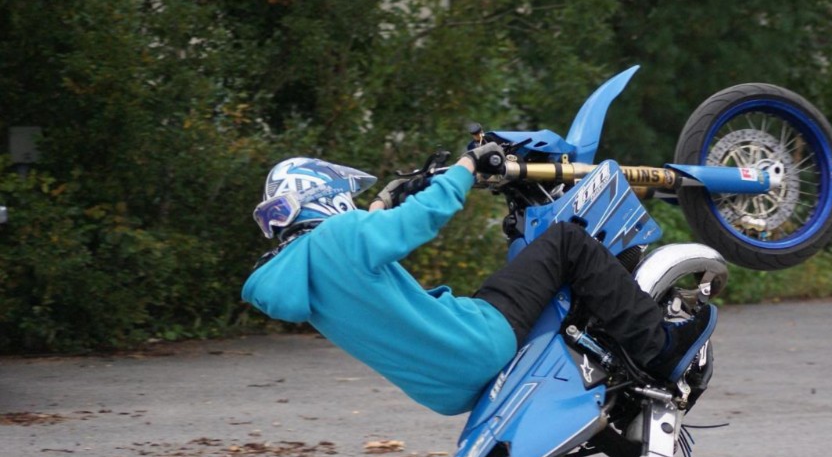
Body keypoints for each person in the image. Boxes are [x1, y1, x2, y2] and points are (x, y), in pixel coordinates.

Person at [241, 148, 716, 416]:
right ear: (324, 198)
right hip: (475, 342)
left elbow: (361, 252)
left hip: (447, 392)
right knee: (566, 243)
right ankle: (659, 346)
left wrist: (384, 203)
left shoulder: (297, 276)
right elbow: (423, 218)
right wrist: (467, 166)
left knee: (511, 287)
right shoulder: (337, 240)